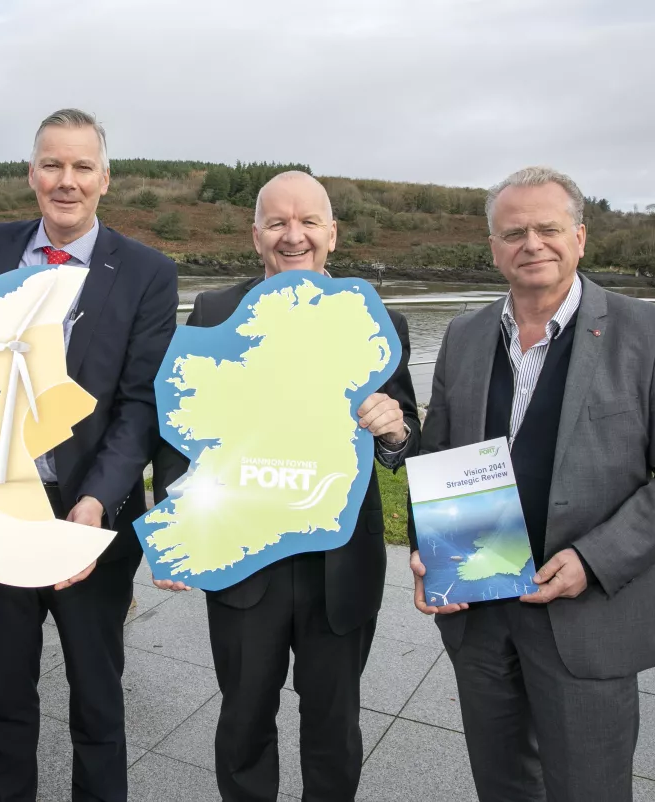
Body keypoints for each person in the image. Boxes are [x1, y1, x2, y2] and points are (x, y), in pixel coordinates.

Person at [409, 166, 655, 801]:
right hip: (478, 611)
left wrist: (594, 559)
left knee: (590, 790)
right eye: (514, 232)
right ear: (494, 247)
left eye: (549, 229)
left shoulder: (650, 331)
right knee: (501, 786)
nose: (533, 244)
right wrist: (431, 551)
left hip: (588, 614)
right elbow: (442, 454)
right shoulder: (463, 335)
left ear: (580, 237)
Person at [152, 171, 420, 801]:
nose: (292, 236)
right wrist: (176, 526)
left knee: (334, 726)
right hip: (245, 564)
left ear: (333, 232)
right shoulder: (216, 311)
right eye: (277, 222)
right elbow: (177, 429)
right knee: (244, 720)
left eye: (307, 222)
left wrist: (394, 429)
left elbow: (406, 439)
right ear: (256, 236)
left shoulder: (382, 319)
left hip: (341, 565)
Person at [0, 108, 178, 802]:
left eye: (80, 167)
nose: (64, 181)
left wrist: (96, 503)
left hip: (90, 515)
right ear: (31, 172)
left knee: (97, 697)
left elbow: (140, 405)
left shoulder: (146, 273)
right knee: (5, 692)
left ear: (104, 178)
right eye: (51, 164)